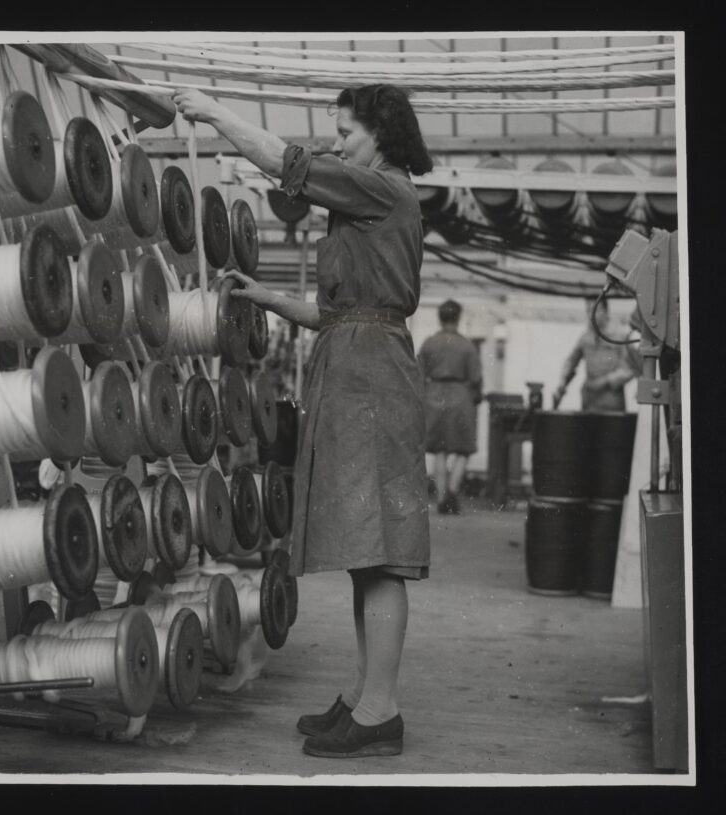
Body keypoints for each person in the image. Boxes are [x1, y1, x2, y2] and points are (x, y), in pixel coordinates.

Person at [172, 84, 433, 759]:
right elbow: (332, 314)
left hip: (372, 376)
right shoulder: (366, 203)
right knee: (361, 551)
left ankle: (381, 709)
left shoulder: (384, 188)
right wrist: (265, 296)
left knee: (379, 555)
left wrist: (215, 112)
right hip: (352, 364)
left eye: (346, 129)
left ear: (380, 132)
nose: (337, 139)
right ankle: (365, 694)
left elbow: (284, 162)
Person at [418, 299, 483, 515]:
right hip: (459, 397)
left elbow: (418, 373)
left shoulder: (429, 343)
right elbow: (475, 378)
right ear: (458, 317)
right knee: (463, 448)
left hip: (434, 395)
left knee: (439, 450)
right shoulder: (467, 346)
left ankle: (442, 496)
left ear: (440, 317)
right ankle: (453, 492)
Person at [552, 298, 638, 412]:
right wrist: (562, 383)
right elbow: (571, 362)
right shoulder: (585, 337)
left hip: (611, 401)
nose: (591, 315)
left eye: (596, 310)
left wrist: (606, 381)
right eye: (588, 310)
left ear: (606, 312)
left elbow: (631, 368)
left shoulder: (620, 337)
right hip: (589, 400)